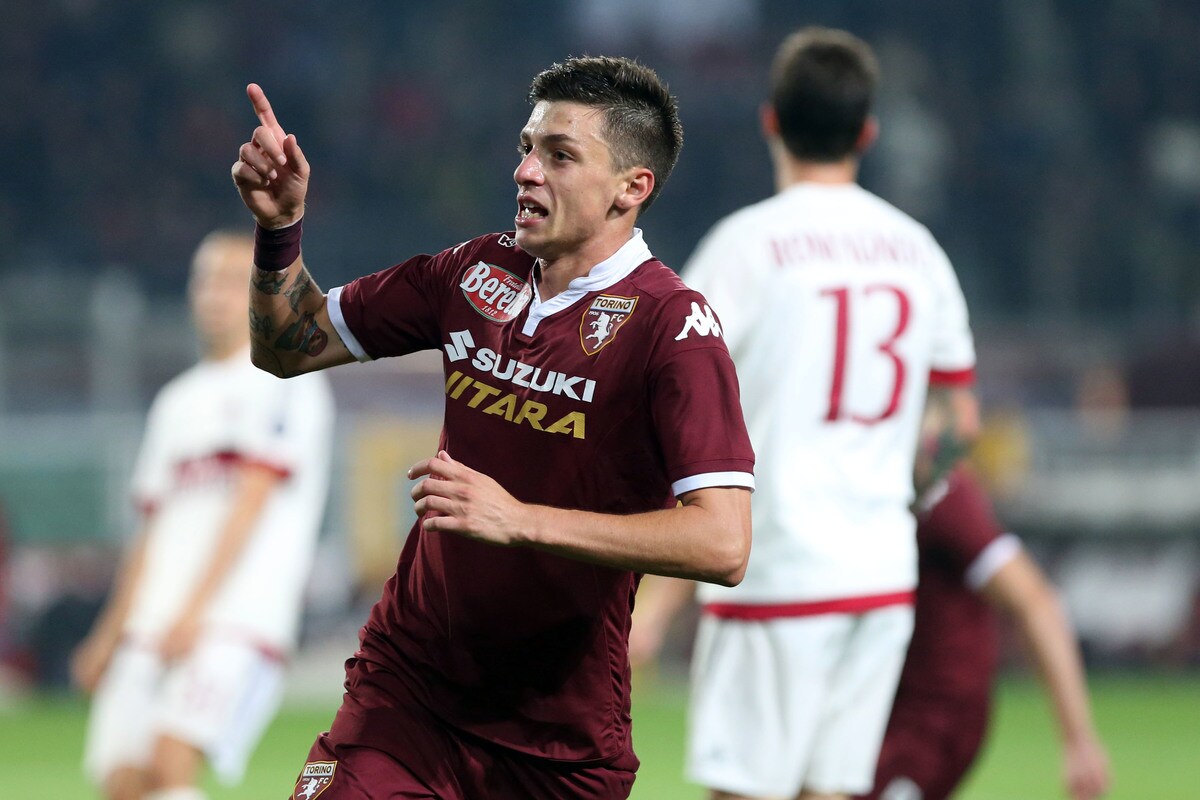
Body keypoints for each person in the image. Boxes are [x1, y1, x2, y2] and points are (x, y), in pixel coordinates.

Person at [230, 56, 755, 800]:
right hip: (407, 695)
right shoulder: (474, 272)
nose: (526, 171)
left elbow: (724, 542)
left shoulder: (673, 327)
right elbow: (288, 344)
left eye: (560, 155)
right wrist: (280, 227)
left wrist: (521, 519)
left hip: (556, 740)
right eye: (527, 148)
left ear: (631, 188)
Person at [672, 27, 979, 800]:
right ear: (867, 132)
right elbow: (959, 422)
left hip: (776, 570)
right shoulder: (918, 251)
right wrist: (904, 492)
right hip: (880, 574)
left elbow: (669, 391)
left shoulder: (745, 247)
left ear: (770, 120)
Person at [70, 231, 335, 800]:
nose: (214, 294)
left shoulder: (285, 377)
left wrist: (196, 611)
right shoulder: (176, 401)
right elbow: (151, 530)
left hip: (236, 617)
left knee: (171, 760)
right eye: (205, 280)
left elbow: (251, 502)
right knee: (122, 781)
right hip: (151, 621)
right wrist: (109, 632)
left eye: (232, 281)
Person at [860, 466, 1111, 800]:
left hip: (930, 721)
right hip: (879, 711)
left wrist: (1079, 739)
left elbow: (1036, 601)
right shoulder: (871, 482)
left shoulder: (940, 493)